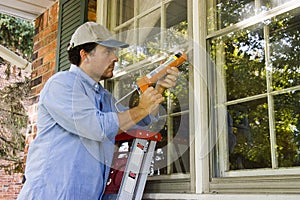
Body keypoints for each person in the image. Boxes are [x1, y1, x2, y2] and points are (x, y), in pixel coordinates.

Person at [17, 21, 179, 199]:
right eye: (108, 51)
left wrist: (159, 89)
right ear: (85, 55)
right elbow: (98, 127)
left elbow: (137, 122)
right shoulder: (62, 84)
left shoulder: (104, 96)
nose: (115, 58)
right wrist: (141, 108)